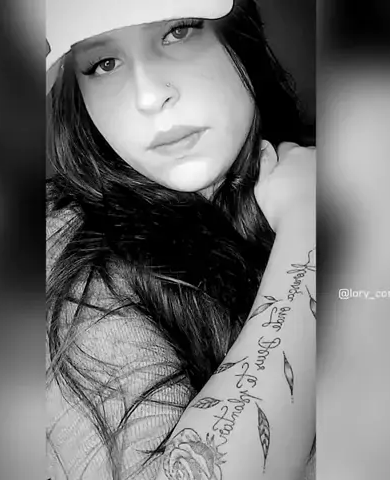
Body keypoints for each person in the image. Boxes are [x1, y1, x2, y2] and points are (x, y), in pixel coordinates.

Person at [46, 1, 316, 479]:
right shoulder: (61, 249)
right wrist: (308, 232)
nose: (150, 96)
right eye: (104, 63)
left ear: (240, 38)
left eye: (180, 31)